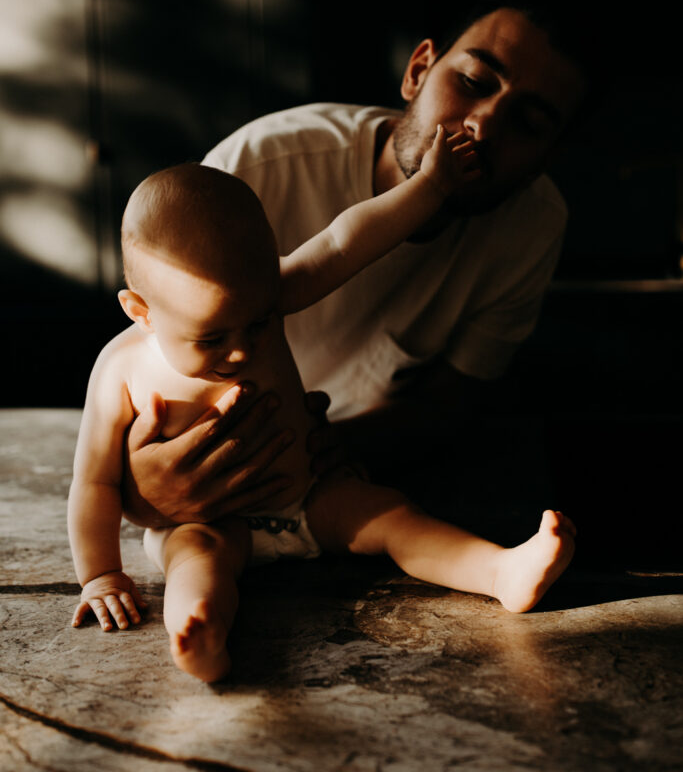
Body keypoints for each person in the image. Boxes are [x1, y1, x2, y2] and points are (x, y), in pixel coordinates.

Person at [69, 146, 575, 683]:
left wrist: (431, 186)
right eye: (213, 338)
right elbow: (93, 482)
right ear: (140, 312)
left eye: (259, 323)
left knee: (394, 519)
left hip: (310, 496)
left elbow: (346, 241)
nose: (241, 351)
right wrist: (100, 574)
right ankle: (201, 634)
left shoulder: (271, 293)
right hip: (206, 522)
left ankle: (501, 572)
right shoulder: (119, 369)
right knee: (197, 566)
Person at [122, 4, 589, 527]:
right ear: (418, 72)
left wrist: (318, 451)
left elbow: (450, 406)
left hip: (353, 480)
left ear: (548, 156)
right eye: (474, 82)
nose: (481, 126)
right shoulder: (254, 171)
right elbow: (145, 360)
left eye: (527, 123)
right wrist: (144, 485)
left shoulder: (534, 224)